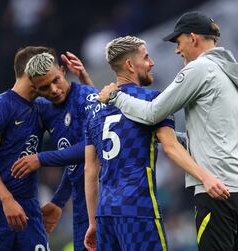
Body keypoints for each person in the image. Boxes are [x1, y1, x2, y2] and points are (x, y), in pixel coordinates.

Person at [98, 11, 238, 250]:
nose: (177, 50)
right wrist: (170, 137)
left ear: (193, 38)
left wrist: (115, 97)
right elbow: (216, 133)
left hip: (215, 187)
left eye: (178, 42)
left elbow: (152, 112)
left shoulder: (200, 69)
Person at [83, 35, 229, 251]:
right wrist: (206, 178)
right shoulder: (151, 100)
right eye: (146, 57)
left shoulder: (95, 111)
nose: (151, 63)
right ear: (130, 65)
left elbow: (89, 170)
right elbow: (170, 146)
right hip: (138, 209)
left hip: (105, 214)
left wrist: (93, 222)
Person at [11, 48, 98, 251]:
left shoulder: (85, 98)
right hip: (80, 203)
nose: (53, 90)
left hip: (104, 198)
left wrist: (40, 159)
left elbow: (90, 148)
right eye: (44, 87)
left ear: (62, 70)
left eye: (56, 80)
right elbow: (75, 164)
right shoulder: (46, 109)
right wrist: (58, 201)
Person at [0, 46, 49, 250]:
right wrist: (6, 199)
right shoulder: (1, 106)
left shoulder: (42, 107)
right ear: (32, 72)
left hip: (29, 205)